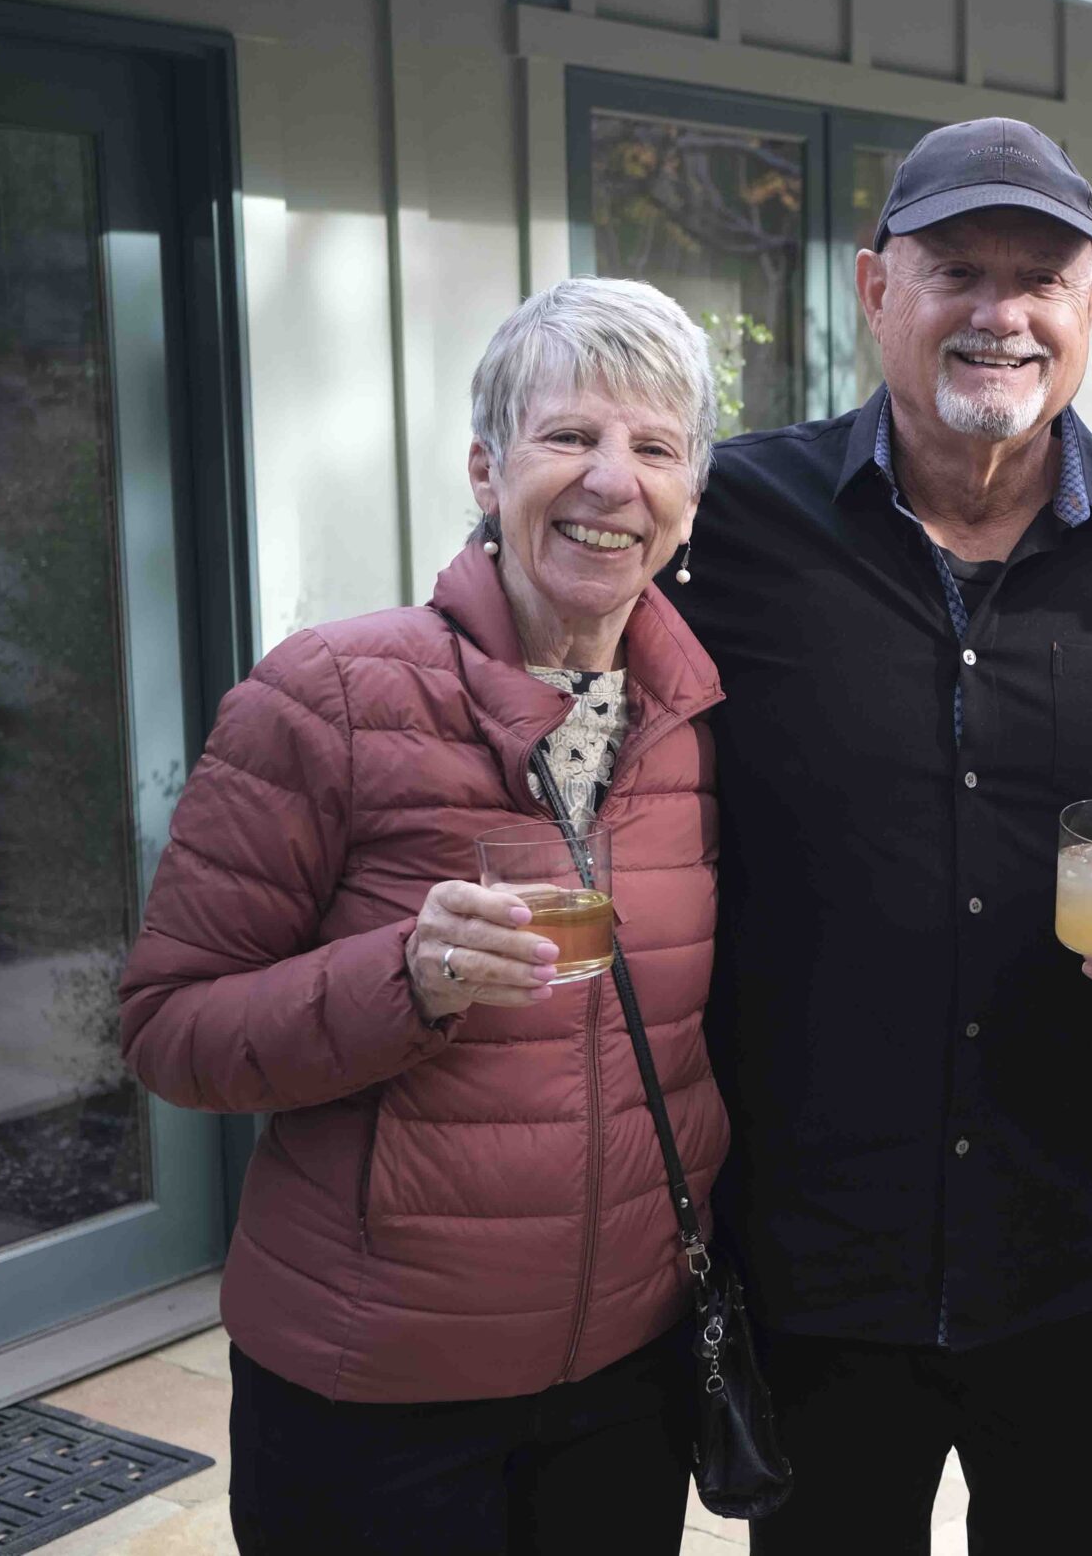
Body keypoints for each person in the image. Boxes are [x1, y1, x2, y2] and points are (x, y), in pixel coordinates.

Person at [672, 117, 1092, 1554]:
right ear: (875, 288)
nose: (1000, 312)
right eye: (957, 270)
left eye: (1040, 278)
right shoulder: (732, 520)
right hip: (816, 1265)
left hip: (1074, 1255)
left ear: (1091, 306)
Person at [117, 278, 727, 1556]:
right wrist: (407, 976)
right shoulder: (328, 696)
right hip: (377, 1391)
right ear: (485, 468)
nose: (612, 480)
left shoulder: (702, 722)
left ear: (689, 496)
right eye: (570, 435)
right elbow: (171, 1029)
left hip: (626, 1382)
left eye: (656, 447)